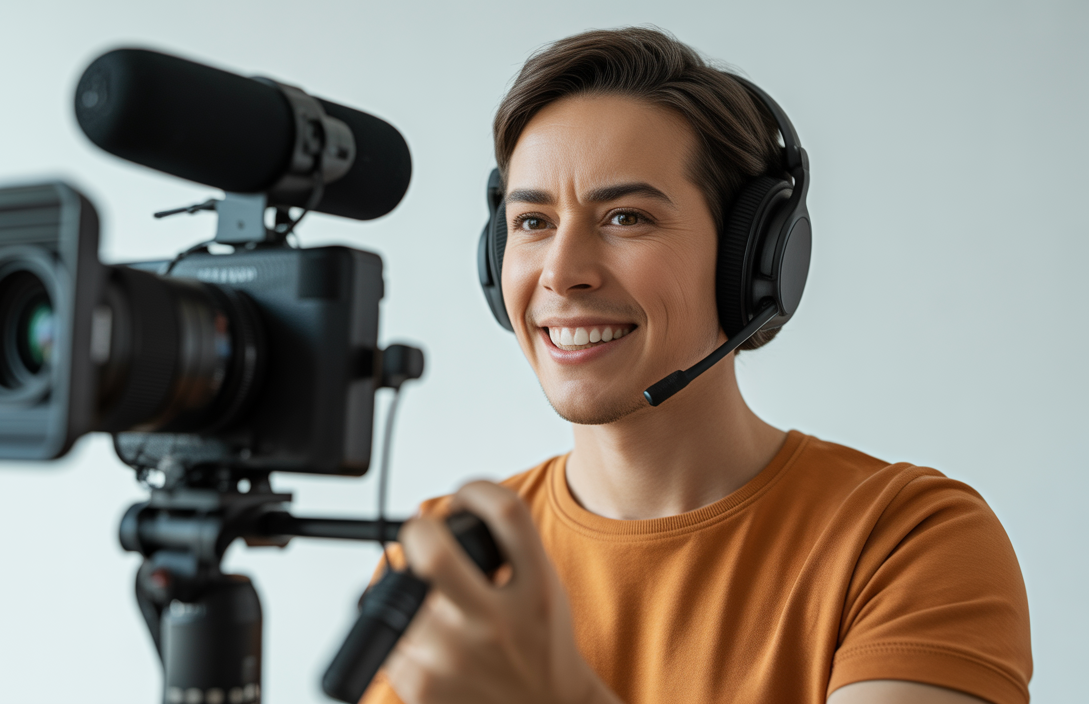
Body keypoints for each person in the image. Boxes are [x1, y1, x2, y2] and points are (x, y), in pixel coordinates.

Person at [360, 26, 1031, 704]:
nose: (561, 274)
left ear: (750, 261)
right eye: (533, 222)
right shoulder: (450, 560)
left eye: (625, 217)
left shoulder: (904, 540)